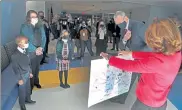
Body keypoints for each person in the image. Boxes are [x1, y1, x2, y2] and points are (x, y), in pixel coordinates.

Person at [101, 18, 182, 110]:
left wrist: (110, 58)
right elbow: (153, 55)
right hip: (160, 100)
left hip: (147, 103)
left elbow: (130, 66)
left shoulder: (156, 62)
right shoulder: (175, 53)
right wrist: (132, 54)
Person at [109, 11, 151, 104]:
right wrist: (124, 39)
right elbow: (121, 45)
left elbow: (150, 45)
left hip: (142, 61)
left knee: (144, 83)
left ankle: (144, 102)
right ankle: (120, 99)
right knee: (127, 80)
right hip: (131, 60)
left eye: (119, 23)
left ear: (125, 18)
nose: (119, 26)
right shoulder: (123, 29)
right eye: (117, 24)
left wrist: (134, 54)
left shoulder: (139, 26)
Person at [20, 10, 46, 91]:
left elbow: (44, 37)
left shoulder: (40, 26)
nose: (35, 18)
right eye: (32, 17)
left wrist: (41, 47)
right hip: (30, 52)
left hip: (40, 51)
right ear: (28, 18)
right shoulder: (24, 27)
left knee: (37, 68)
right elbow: (25, 40)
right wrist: (35, 49)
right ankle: (30, 86)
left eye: (36, 16)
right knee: (31, 70)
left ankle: (36, 82)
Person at [11, 36, 36, 110]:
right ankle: (22, 104)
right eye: (24, 42)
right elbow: (15, 69)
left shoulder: (26, 51)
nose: (26, 43)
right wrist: (19, 79)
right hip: (21, 75)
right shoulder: (14, 56)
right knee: (22, 91)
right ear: (19, 44)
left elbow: (28, 63)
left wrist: (30, 72)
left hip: (27, 73)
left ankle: (28, 99)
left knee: (28, 88)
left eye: (26, 42)